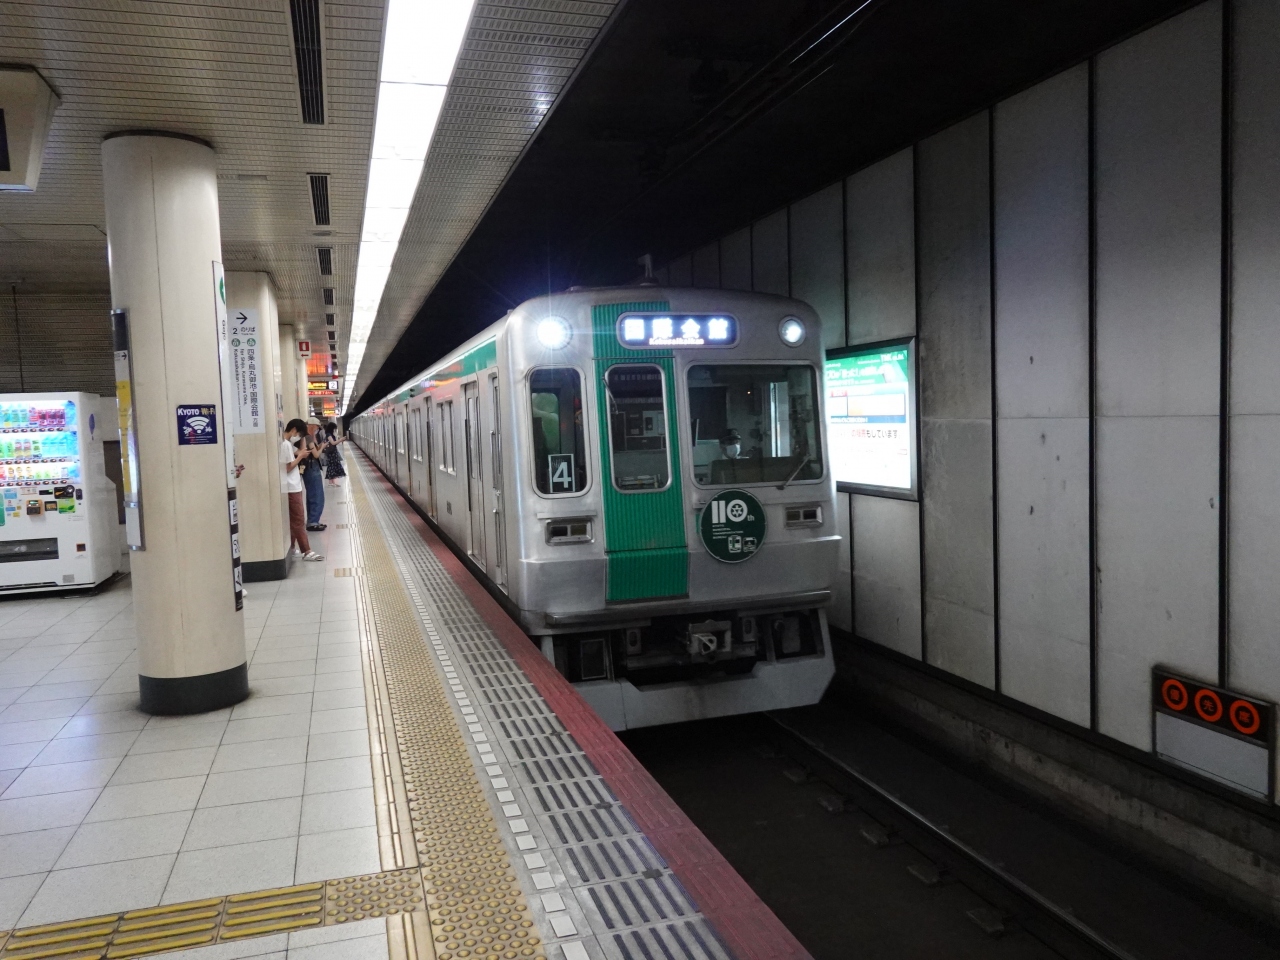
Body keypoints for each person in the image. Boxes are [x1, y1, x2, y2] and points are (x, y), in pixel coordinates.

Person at [282, 419, 323, 561]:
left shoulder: (287, 444)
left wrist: (306, 436)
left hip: (294, 485)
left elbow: (302, 451)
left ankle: (292, 547)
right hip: (291, 486)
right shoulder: (285, 445)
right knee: (299, 520)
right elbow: (287, 468)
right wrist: (300, 457)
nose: (299, 437)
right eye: (299, 434)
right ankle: (307, 551)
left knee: (293, 520)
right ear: (294, 430)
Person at [303, 416, 327, 531]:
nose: (317, 430)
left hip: (309, 469)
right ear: (312, 426)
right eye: (317, 427)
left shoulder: (307, 437)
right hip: (312, 468)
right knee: (317, 495)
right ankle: (313, 522)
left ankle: (312, 520)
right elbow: (316, 455)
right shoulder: (308, 437)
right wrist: (322, 447)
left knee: (312, 495)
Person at [323, 421, 346, 486]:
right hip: (331, 453)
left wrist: (339, 440)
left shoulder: (330, 434)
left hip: (333, 451)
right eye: (334, 428)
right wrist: (340, 440)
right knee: (333, 465)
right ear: (332, 428)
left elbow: (334, 443)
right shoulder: (328, 435)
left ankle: (332, 482)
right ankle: (333, 482)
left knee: (332, 466)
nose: (334, 430)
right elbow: (333, 443)